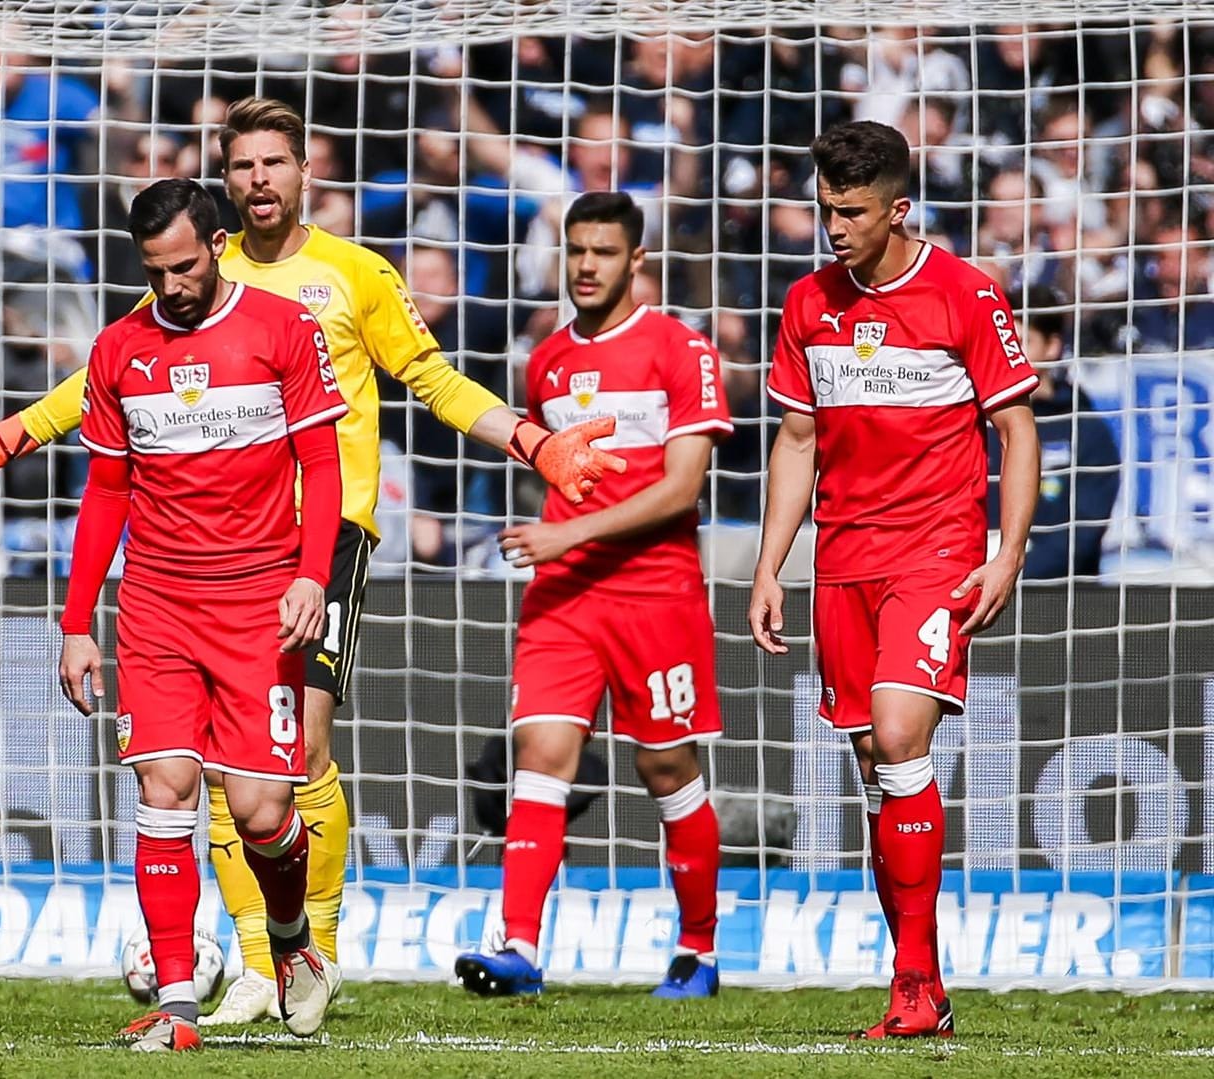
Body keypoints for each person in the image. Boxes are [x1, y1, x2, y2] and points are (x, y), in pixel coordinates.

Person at [0, 96, 622, 1026]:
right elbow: (108, 385)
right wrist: (7, 437)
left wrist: (532, 442)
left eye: (274, 162)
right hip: (194, 553)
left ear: (305, 172)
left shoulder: (353, 274)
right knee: (199, 772)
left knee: (298, 757)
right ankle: (257, 962)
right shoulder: (189, 268)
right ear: (224, 185)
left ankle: (308, 947)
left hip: (320, 541)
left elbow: (436, 381)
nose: (259, 180)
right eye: (242, 164)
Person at [749, 120, 1040, 1040]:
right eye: (826, 209)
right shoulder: (808, 304)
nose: (834, 228)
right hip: (843, 560)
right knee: (878, 769)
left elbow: (1018, 432)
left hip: (937, 549)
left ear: (899, 208)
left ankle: (913, 985)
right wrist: (770, 567)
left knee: (900, 734)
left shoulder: (964, 293)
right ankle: (925, 981)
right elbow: (797, 441)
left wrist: (1008, 550)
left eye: (853, 212)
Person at [61, 177, 344, 1052]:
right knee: (164, 791)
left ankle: (293, 945)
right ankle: (178, 1004)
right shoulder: (119, 350)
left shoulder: (282, 330)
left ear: (217, 245)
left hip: (262, 600)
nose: (171, 285)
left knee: (261, 811)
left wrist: (312, 576)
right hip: (154, 604)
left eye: (183, 265)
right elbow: (106, 490)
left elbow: (322, 465)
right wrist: (78, 621)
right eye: (154, 270)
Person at [452, 192, 731, 1001]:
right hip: (564, 596)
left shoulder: (681, 351)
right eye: (576, 249)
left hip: (655, 591)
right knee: (539, 755)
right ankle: (517, 946)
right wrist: (561, 546)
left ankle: (697, 949)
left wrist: (565, 535)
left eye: (603, 252)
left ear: (635, 260)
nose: (584, 265)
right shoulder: (546, 361)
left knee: (666, 766)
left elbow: (683, 490)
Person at [985, 290, 1121, 579]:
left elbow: (1083, 533)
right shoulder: (973, 422)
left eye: (1021, 343)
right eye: (1002, 343)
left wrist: (1014, 571)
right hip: (972, 582)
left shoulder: (1086, 430)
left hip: (1057, 598)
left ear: (1052, 347)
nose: (1009, 354)